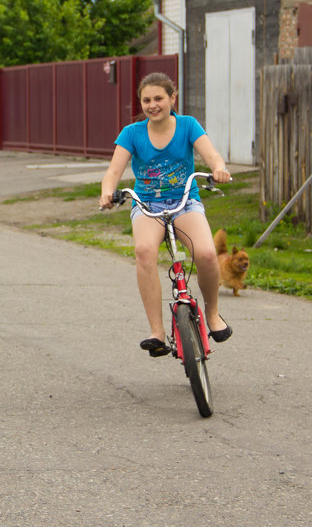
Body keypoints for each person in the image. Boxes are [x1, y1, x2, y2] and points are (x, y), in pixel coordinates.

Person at [99, 73, 232, 357]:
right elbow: (113, 171)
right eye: (146, 100)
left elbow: (211, 155)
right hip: (147, 205)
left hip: (185, 201)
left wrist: (218, 168)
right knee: (144, 251)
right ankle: (157, 331)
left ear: (173, 98)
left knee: (207, 254)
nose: (152, 105)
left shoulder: (188, 125)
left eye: (159, 98)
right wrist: (107, 192)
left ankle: (213, 316)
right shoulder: (132, 134)